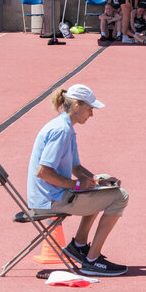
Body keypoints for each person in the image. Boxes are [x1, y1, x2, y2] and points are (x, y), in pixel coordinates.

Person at [27, 84, 129, 276]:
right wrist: (76, 184)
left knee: (103, 186)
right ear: (76, 106)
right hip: (49, 200)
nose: (91, 114)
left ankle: (78, 247)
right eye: (90, 109)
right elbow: (43, 171)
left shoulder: (66, 127)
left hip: (53, 194)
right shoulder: (62, 131)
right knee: (120, 196)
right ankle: (92, 260)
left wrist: (96, 181)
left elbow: (76, 168)